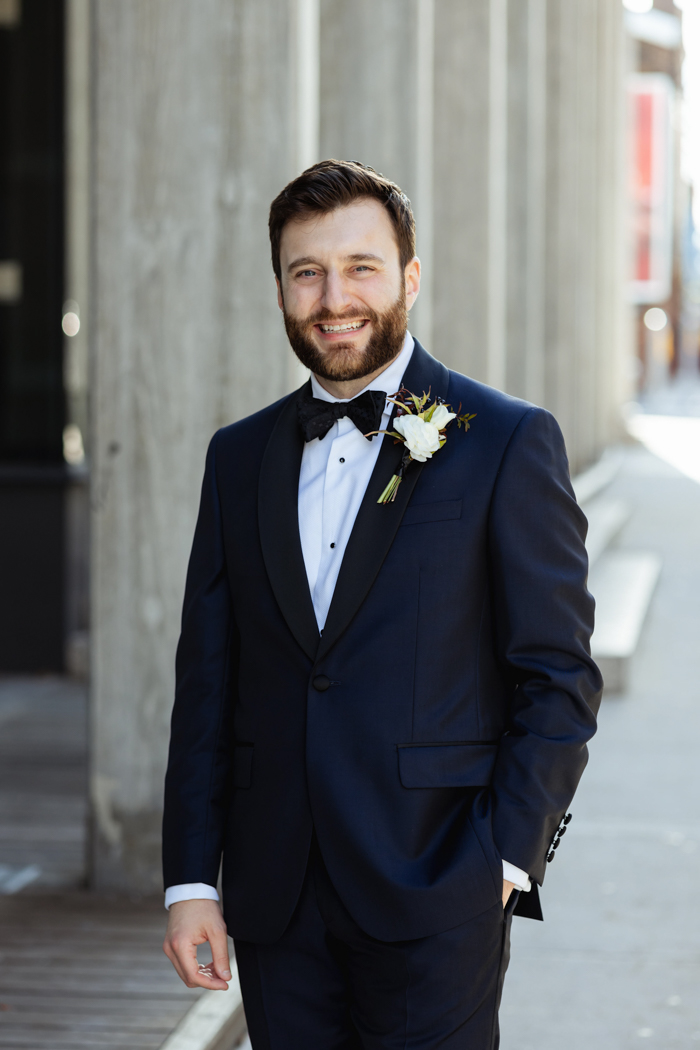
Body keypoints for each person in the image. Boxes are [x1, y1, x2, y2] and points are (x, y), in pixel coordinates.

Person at [162, 159, 602, 1048]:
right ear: (282, 288)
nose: (334, 298)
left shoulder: (506, 440)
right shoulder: (235, 457)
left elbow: (558, 676)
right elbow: (207, 685)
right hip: (274, 898)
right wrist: (191, 884)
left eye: (360, 267)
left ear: (408, 276)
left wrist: (506, 856)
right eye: (307, 272)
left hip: (440, 884)